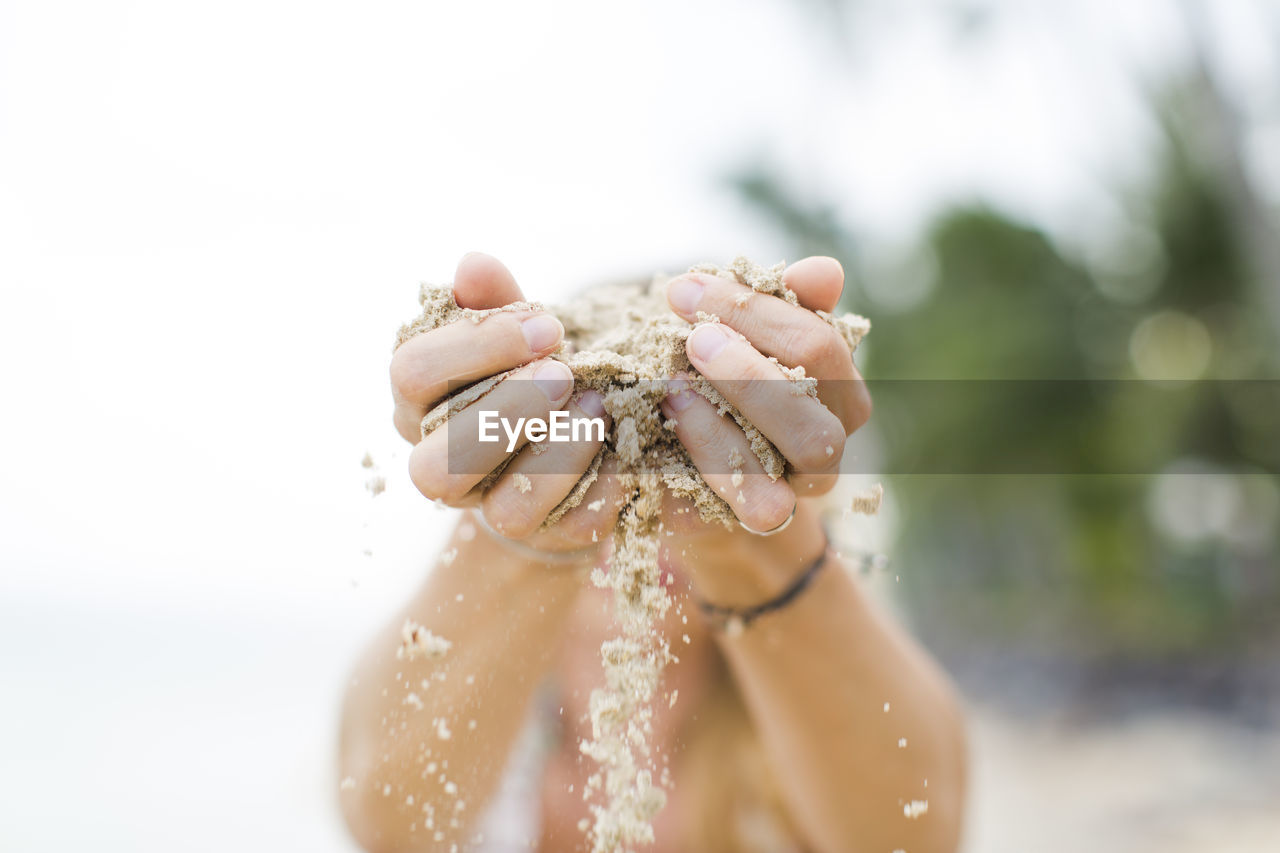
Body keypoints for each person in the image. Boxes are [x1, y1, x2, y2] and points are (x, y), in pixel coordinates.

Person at [339, 253, 968, 852]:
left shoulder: (803, 726)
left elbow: (917, 830)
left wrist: (741, 529)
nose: (644, 513)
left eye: (670, 462)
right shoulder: (502, 723)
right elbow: (382, 816)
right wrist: (525, 514)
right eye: (607, 464)